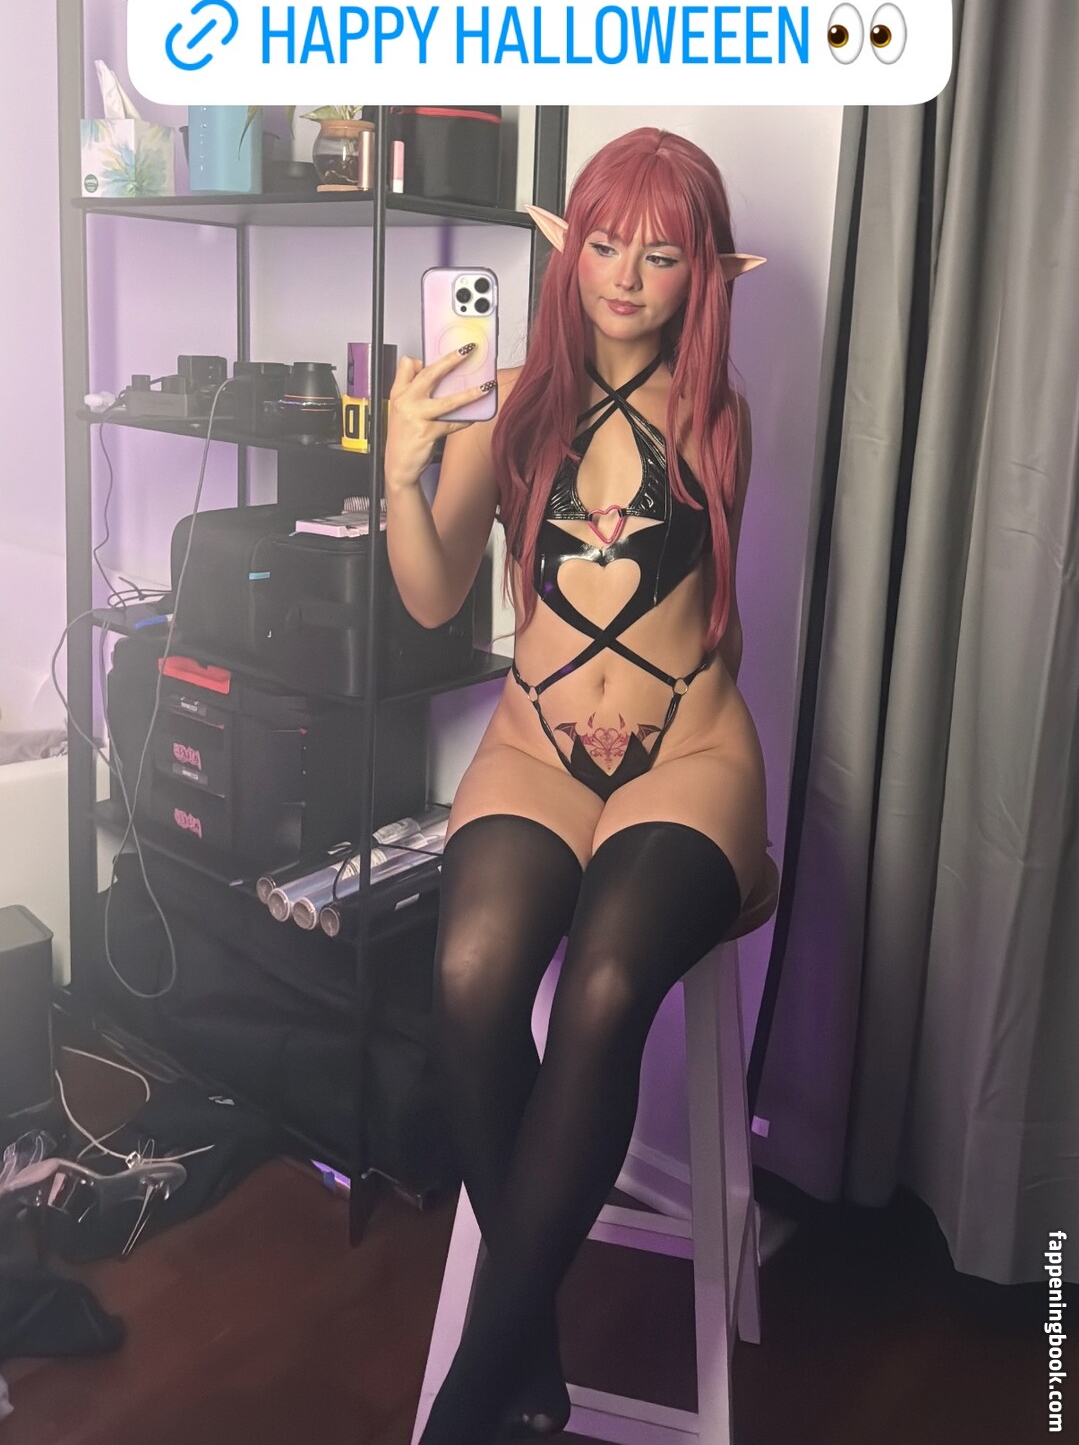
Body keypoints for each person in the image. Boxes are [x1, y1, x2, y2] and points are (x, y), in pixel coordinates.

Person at [385, 127, 769, 1442]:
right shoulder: (514, 409)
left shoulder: (720, 420)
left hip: (689, 756)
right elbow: (433, 592)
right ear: (567, 249)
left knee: (605, 989)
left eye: (661, 255)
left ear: (705, 271)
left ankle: (469, 1397)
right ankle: (528, 1350)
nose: (624, 277)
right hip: (536, 749)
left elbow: (702, 612)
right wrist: (404, 468)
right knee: (470, 979)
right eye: (604, 244)